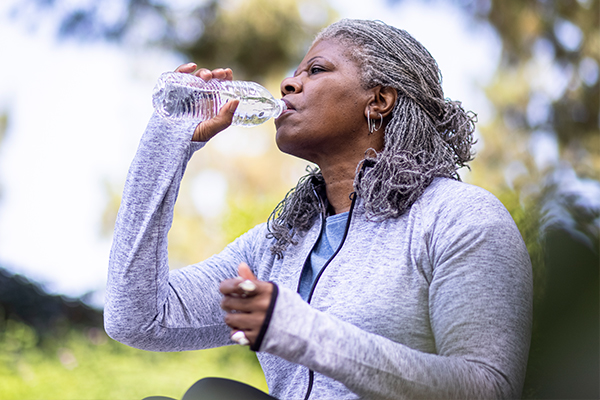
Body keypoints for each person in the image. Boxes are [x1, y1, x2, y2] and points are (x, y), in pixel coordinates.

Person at [105, 19, 533, 400]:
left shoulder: (459, 217)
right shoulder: (276, 246)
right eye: (294, 73)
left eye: (316, 70)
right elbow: (137, 319)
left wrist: (301, 329)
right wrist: (167, 145)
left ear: (379, 100)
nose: (289, 85)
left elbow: (489, 387)